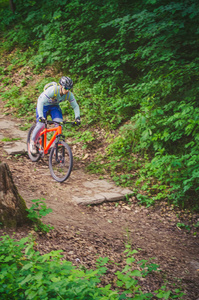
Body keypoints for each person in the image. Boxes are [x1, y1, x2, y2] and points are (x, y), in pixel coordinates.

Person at [30, 76, 80, 154]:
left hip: (54, 107)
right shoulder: (52, 91)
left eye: (69, 89)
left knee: (59, 125)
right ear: (60, 86)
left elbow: (75, 106)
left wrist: (77, 118)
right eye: (66, 88)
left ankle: (54, 147)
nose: (67, 90)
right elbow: (40, 102)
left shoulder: (69, 95)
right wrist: (40, 116)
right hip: (43, 105)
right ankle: (33, 142)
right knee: (41, 125)